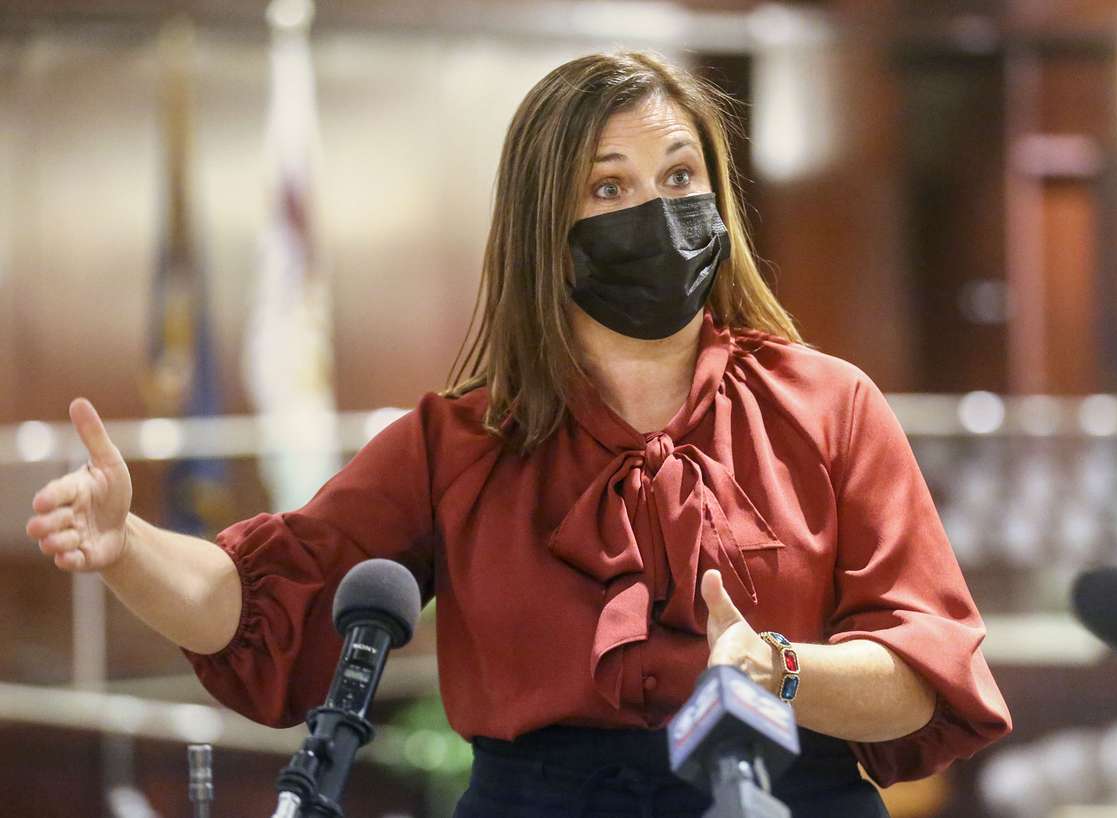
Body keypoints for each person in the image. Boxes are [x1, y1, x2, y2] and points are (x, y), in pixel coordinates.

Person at [26, 51, 1011, 817]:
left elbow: (917, 675)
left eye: (680, 176)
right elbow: (261, 604)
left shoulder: (829, 404)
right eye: (609, 188)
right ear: (547, 225)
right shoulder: (459, 440)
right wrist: (125, 547)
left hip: (781, 793)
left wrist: (778, 667)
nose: (657, 212)